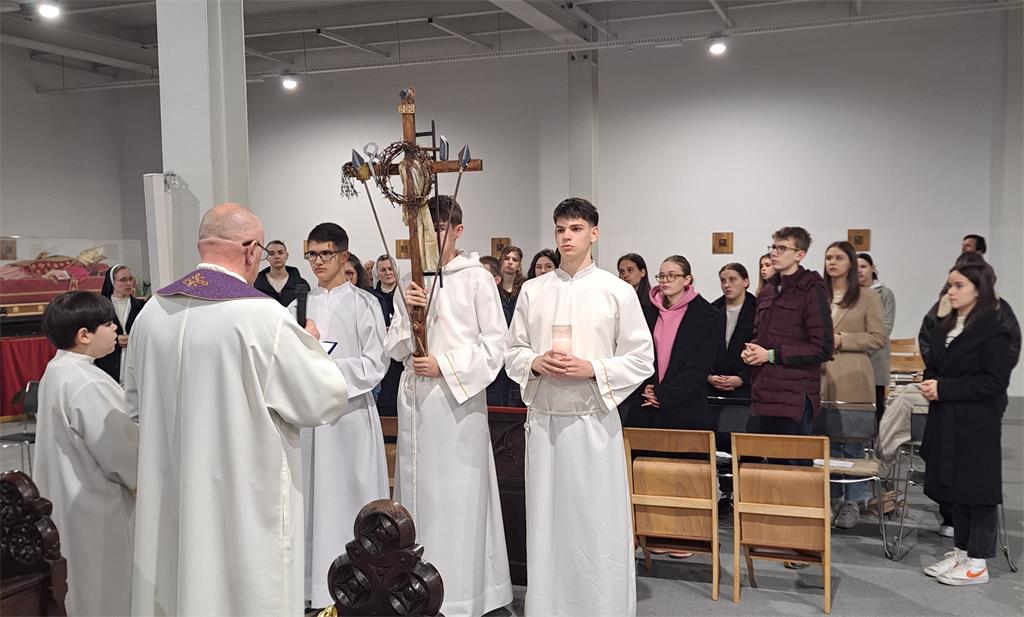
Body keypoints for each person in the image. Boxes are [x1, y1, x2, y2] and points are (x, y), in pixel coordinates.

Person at [128, 203, 350, 617]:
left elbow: (134, 404)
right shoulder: (261, 317)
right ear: (250, 251)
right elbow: (324, 398)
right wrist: (313, 347)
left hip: (172, 497)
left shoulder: (152, 312)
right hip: (242, 503)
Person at [505, 198, 654, 617]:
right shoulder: (534, 290)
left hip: (592, 423)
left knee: (593, 521)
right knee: (546, 522)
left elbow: (642, 358)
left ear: (594, 233)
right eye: (560, 229)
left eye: (575, 228)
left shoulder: (616, 291)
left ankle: (600, 607)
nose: (566, 237)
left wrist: (594, 368)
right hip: (545, 422)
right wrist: (535, 361)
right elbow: (512, 351)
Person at [385, 195, 512, 617]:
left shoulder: (476, 279)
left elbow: (496, 347)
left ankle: (461, 595)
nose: (430, 236)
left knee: (457, 498)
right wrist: (410, 316)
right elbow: (394, 345)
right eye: (423, 227)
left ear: (457, 231)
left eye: (438, 228)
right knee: (415, 496)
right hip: (416, 401)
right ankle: (412, 589)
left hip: (456, 403)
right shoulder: (410, 277)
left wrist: (445, 364)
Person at [299, 223, 390, 610]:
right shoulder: (297, 305)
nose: (318, 262)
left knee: (352, 495)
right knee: (312, 499)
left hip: (350, 416)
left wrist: (325, 367)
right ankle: (313, 587)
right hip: (311, 420)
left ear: (343, 255)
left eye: (326, 254)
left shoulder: (364, 303)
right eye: (312, 254)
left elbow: (375, 363)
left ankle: (361, 586)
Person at [33, 291, 139, 617]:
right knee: (107, 592)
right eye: (107, 324)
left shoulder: (57, 369)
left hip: (68, 501)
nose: (115, 329)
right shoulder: (87, 382)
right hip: (97, 507)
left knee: (82, 590)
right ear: (84, 335)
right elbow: (124, 457)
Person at [920, 260, 1012, 586]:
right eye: (950, 285)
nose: (951, 291)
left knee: (978, 489)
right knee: (955, 487)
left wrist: (944, 388)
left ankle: (978, 562)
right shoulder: (946, 325)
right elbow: (934, 363)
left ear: (978, 289)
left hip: (977, 420)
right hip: (947, 416)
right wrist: (931, 381)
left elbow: (994, 382)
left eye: (959, 286)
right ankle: (961, 550)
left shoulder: (993, 330)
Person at [742, 227, 832, 437]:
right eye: (773, 247)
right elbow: (760, 334)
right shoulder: (767, 291)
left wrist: (770, 355)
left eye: (782, 248)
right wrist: (752, 350)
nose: (774, 253)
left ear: (800, 255)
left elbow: (822, 348)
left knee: (793, 457)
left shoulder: (811, 290)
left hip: (794, 398)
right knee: (763, 458)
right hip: (764, 393)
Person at [821, 241, 886, 529]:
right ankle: (833, 497)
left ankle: (854, 500)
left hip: (853, 375)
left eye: (838, 257)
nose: (832, 262)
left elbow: (878, 337)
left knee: (852, 442)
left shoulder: (867, 296)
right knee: (829, 443)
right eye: (828, 258)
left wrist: (843, 339)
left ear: (849, 262)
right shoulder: (819, 294)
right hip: (822, 375)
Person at [628, 255, 719, 432]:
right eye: (661, 276)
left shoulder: (706, 315)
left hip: (685, 406)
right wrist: (648, 389)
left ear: (687, 279)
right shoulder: (647, 312)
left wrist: (663, 394)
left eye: (671, 275)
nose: (664, 280)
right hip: (647, 401)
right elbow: (638, 353)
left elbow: (700, 366)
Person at [708, 263, 756, 515]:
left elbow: (760, 349)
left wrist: (742, 379)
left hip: (744, 387)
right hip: (715, 385)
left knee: (746, 442)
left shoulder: (757, 309)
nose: (727, 284)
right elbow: (704, 348)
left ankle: (747, 494)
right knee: (720, 441)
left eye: (733, 279)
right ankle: (726, 492)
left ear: (746, 281)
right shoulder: (713, 309)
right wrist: (709, 375)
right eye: (723, 280)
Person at [857, 252, 896, 424]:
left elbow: (885, 328)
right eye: (855, 267)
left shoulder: (885, 294)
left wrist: (859, 341)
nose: (859, 271)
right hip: (854, 357)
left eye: (863, 266)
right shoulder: (851, 293)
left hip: (876, 356)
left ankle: (877, 438)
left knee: (877, 405)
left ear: (873, 268)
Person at [95, 264, 145, 384]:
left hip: (136, 362)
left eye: (130, 279)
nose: (128, 283)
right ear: (112, 282)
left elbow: (148, 332)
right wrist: (115, 339)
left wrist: (134, 338)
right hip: (109, 363)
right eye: (123, 280)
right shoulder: (99, 308)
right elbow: (94, 333)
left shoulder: (142, 306)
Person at [374, 254, 404, 418]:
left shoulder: (405, 294)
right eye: (383, 270)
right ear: (377, 273)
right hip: (381, 353)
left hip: (401, 355)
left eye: (391, 269)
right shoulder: (372, 297)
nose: (387, 273)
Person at [253, 240, 310, 307]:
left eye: (280, 253)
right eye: (271, 254)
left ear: (287, 255)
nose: (276, 256)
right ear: (267, 257)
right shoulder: (256, 284)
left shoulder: (302, 284)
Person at [497, 246, 525, 319]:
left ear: (519, 266)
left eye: (515, 260)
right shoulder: (494, 285)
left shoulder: (525, 286)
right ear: (501, 262)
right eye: (506, 259)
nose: (510, 262)